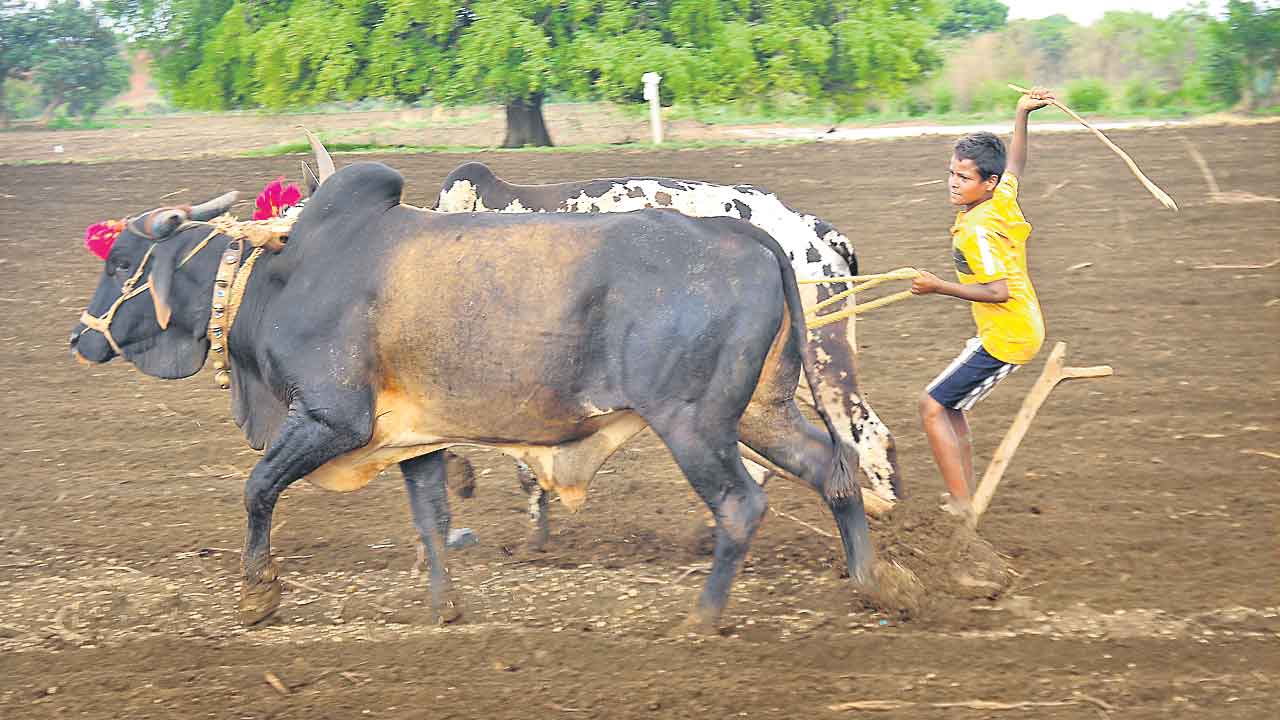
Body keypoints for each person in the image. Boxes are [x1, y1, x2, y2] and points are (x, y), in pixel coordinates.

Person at [910, 87, 1056, 519]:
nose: (954, 183)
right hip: (1009, 326)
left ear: (985, 184)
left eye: (964, 177)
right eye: (951, 173)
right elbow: (1016, 164)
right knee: (950, 407)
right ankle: (962, 491)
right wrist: (1022, 113)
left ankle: (960, 501)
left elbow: (997, 291)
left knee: (932, 405)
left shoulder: (978, 230)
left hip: (1008, 336)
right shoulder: (1000, 197)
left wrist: (938, 286)